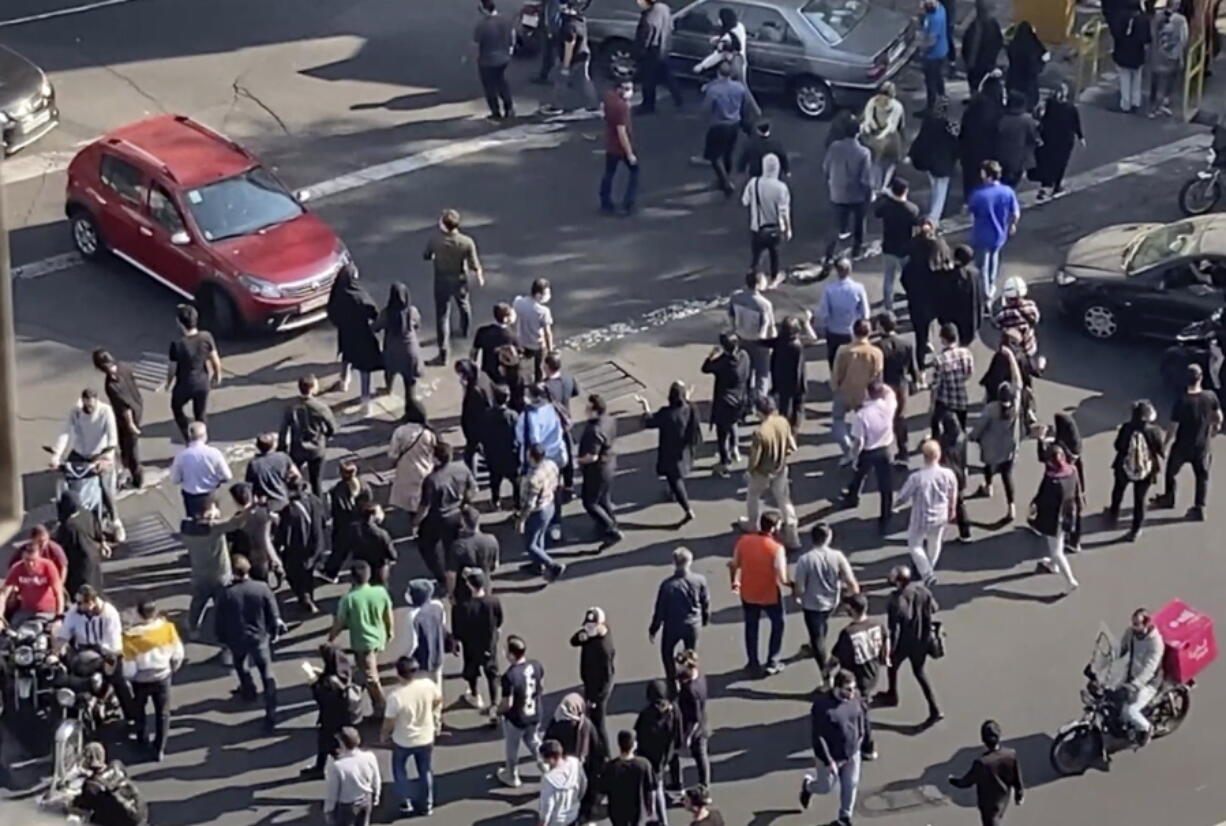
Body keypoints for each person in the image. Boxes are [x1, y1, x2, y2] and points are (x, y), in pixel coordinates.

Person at [215, 555, 282, 729]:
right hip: (259, 638)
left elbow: (220, 620)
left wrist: (222, 639)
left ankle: (248, 689)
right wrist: (273, 632)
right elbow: (273, 614)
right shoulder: (262, 588)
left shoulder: (227, 593)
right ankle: (271, 710)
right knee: (267, 673)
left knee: (240, 664)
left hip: (237, 638)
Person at [791, 522, 859, 685]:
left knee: (818, 640)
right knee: (822, 624)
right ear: (828, 537)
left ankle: (826, 673)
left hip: (812, 604)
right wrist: (850, 599)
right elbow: (851, 582)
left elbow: (799, 587)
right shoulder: (838, 556)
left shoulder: (805, 560)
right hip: (831, 602)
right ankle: (812, 646)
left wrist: (797, 597)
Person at [1153, 363, 1221, 520]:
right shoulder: (1210, 396)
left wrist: (1165, 444)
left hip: (1182, 446)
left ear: (1186, 380)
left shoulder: (1182, 401)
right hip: (1203, 446)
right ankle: (1199, 508)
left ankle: (1169, 498)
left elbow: (1173, 428)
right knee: (1202, 476)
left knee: (1171, 472)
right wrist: (1214, 429)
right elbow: (1218, 417)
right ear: (1201, 378)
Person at [328, 561, 395, 717]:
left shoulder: (349, 599)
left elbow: (339, 622)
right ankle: (364, 692)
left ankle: (382, 707)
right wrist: (390, 632)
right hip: (379, 638)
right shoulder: (380, 592)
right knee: (365, 669)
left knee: (371, 676)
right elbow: (388, 613)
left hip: (363, 643)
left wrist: (330, 638)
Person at [874, 565, 941, 722]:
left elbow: (894, 629)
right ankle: (935, 708)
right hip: (923, 639)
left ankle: (892, 694)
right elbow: (934, 608)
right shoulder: (923, 591)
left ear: (898, 582)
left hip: (905, 642)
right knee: (920, 673)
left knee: (892, 666)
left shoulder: (895, 601)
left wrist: (890, 650)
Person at [801, 671, 867, 826]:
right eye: (848, 689)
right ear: (837, 688)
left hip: (852, 752)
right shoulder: (822, 707)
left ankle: (844, 817)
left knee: (851, 784)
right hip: (831, 758)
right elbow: (819, 737)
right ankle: (808, 786)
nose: (852, 693)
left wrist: (862, 739)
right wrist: (829, 761)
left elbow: (862, 717)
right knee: (825, 787)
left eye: (853, 688)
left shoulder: (855, 697)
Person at [122, 600, 184, 761]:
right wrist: (171, 668)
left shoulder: (131, 637)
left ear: (138, 614)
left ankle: (142, 740)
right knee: (163, 712)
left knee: (140, 710)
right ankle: (159, 748)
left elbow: (129, 667)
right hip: (162, 676)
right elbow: (177, 653)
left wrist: (130, 678)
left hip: (141, 680)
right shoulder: (167, 629)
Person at [729, 511, 789, 676]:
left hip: (748, 592)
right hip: (769, 594)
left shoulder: (744, 541)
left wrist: (734, 581)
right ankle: (773, 660)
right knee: (778, 624)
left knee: (751, 626)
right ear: (775, 528)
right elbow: (782, 578)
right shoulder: (777, 549)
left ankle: (753, 663)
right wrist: (795, 585)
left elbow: (734, 564)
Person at [382, 656, 442, 817]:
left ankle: (405, 802)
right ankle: (427, 805)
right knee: (425, 771)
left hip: (403, 740)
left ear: (399, 674)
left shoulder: (395, 696)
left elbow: (389, 722)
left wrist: (384, 735)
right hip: (425, 737)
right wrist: (433, 715)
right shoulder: (428, 685)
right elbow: (438, 700)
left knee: (399, 769)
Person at [423, 209, 484, 366]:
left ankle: (443, 353)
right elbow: (473, 264)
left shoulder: (436, 240)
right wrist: (479, 276)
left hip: (442, 280)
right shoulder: (466, 241)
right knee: (463, 303)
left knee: (442, 315)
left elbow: (426, 255)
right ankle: (464, 330)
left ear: (443, 225)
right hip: (459, 279)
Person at [50, 388, 120, 524]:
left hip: (99, 454)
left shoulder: (106, 411)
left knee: (106, 487)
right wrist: (56, 455)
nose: (88, 408)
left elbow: (112, 437)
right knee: (66, 482)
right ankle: (63, 519)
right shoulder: (75, 412)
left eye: (91, 405)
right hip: (79, 453)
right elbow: (65, 433)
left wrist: (107, 459)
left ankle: (115, 519)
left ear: (96, 401)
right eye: (86, 405)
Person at [176, 494, 240, 641]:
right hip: (220, 575)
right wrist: (251, 507)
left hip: (199, 575)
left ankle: (193, 628)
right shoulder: (213, 529)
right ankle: (224, 635)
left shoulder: (186, 527)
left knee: (197, 603)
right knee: (223, 607)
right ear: (204, 513)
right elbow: (236, 523)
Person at [415, 439, 478, 587]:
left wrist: (416, 522)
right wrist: (464, 503)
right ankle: (459, 573)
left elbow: (425, 506)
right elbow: (474, 489)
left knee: (426, 545)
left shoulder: (431, 480)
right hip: (458, 514)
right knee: (452, 547)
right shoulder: (462, 468)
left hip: (438, 518)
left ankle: (442, 577)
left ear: (436, 459)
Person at [832, 593, 887, 760]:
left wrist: (827, 671)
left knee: (862, 712)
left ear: (853, 610)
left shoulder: (848, 633)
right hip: (873, 672)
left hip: (856, 678)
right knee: (862, 703)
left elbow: (836, 657)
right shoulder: (878, 625)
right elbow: (886, 642)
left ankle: (868, 747)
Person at [895, 439, 958, 585]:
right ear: (939, 455)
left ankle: (927, 572)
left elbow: (904, 496)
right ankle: (929, 566)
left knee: (914, 544)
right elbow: (952, 493)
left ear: (924, 456)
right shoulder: (948, 474)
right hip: (940, 515)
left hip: (921, 516)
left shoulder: (917, 477)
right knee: (935, 543)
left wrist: (895, 504)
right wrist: (952, 510)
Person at [637, 382, 702, 524]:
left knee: (675, 480)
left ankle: (687, 509)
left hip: (669, 452)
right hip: (683, 449)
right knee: (678, 474)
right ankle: (672, 493)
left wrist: (645, 406)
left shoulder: (667, 414)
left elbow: (649, 422)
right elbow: (686, 404)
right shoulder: (690, 409)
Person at [649, 547, 711, 693]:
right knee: (690, 653)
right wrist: (705, 618)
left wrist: (653, 629)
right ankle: (690, 680)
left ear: (674, 563)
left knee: (667, 652)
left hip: (673, 626)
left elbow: (660, 610)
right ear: (690, 561)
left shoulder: (668, 585)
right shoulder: (700, 580)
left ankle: (672, 681)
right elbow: (705, 601)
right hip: (692, 624)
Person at [840, 381, 898, 532]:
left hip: (868, 451)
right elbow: (890, 392)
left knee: (859, 474)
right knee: (886, 487)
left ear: (868, 393)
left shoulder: (862, 415)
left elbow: (859, 441)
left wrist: (854, 456)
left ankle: (852, 497)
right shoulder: (888, 406)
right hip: (885, 450)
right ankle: (885, 518)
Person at [743, 394, 800, 541]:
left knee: (753, 496)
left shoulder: (760, 433)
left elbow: (755, 458)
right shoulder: (783, 422)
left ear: (759, 412)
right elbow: (792, 446)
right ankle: (792, 534)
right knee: (783, 498)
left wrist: (749, 471)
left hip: (763, 472)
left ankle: (753, 525)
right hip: (780, 468)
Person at [326, 264, 382, 413]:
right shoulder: (359, 296)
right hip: (361, 335)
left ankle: (344, 381)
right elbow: (374, 312)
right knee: (365, 369)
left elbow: (331, 312)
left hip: (345, 333)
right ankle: (365, 403)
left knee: (346, 355)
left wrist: (341, 324)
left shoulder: (337, 293)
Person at [948, 720, 1025, 826]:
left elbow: (966, 782)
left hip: (988, 804)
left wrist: (952, 780)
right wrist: (1019, 794)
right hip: (1003, 798)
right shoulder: (1010, 754)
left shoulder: (982, 763)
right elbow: (1017, 776)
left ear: (983, 740)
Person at [1108, 399, 1166, 540]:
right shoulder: (1155, 431)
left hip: (1124, 466)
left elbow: (1117, 446)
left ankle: (1113, 512)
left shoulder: (1126, 428)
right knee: (1140, 500)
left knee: (1118, 489)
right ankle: (1135, 529)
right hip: (1145, 469)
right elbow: (1160, 450)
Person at [452, 570, 503, 722]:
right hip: (489, 644)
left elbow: (457, 629)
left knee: (471, 671)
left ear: (469, 585)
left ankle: (475, 695)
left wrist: (456, 642)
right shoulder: (493, 601)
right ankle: (494, 704)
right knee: (492, 673)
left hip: (470, 645)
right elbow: (499, 620)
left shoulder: (461, 606)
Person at [164, 303, 221, 441]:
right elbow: (215, 359)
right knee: (200, 413)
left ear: (180, 323)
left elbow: (172, 368)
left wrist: (168, 383)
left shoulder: (177, 344)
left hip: (184, 384)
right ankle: (202, 438)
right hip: (202, 383)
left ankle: (188, 436)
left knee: (176, 407)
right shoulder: (206, 337)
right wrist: (217, 375)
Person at [1030, 443, 1081, 593]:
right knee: (1057, 544)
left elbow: (1045, 500)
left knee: (1057, 551)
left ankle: (1070, 580)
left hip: (1053, 519)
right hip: (1068, 513)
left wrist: (1035, 507)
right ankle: (1053, 565)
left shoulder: (1053, 480)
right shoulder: (1072, 470)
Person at [830, 318, 883, 464]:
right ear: (870, 332)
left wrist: (835, 388)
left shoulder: (843, 350)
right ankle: (863, 450)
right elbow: (877, 374)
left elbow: (836, 373)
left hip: (845, 391)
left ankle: (848, 450)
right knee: (866, 424)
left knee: (838, 420)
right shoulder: (876, 353)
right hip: (866, 394)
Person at [497, 634, 546, 788]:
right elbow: (541, 686)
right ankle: (545, 765)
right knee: (533, 740)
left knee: (512, 747)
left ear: (511, 655)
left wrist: (497, 711)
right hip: (535, 713)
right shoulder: (536, 665)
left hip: (517, 719)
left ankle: (511, 775)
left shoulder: (510, 676)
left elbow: (508, 703)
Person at [967, 161, 1020, 304]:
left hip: (981, 235)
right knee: (994, 260)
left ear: (986, 174)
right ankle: (991, 286)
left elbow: (971, 214)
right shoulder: (1008, 192)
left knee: (982, 266)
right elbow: (1015, 213)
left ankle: (985, 296)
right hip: (999, 235)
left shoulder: (978, 195)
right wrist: (1012, 226)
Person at [303, 644, 359, 779]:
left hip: (331, 717)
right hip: (344, 715)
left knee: (329, 744)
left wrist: (313, 683)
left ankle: (337, 770)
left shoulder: (330, 682)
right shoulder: (345, 671)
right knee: (330, 743)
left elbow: (322, 699)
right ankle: (320, 767)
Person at [374, 283, 427, 422]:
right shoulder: (412, 311)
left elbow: (375, 327)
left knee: (389, 371)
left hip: (392, 350)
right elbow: (418, 324)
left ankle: (388, 388)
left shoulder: (387, 313)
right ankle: (409, 412)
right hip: (410, 351)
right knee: (409, 384)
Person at [277, 374, 337, 496]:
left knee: (294, 479)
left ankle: (297, 500)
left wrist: (282, 448)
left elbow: (283, 430)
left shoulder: (291, 407)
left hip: (297, 448)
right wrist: (326, 436)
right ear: (313, 388)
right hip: (316, 449)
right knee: (316, 481)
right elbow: (332, 427)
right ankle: (317, 505)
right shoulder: (321, 407)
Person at [92, 349, 144, 489]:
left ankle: (137, 478)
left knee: (131, 447)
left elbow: (124, 408)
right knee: (124, 443)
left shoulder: (111, 385)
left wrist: (131, 425)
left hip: (128, 418)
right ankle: (125, 464)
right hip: (138, 405)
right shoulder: (124, 367)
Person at [822, 123, 873, 261]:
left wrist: (831, 181)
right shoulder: (864, 152)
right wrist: (869, 194)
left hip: (837, 193)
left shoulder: (834, 147)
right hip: (857, 195)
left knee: (835, 224)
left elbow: (826, 167)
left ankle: (829, 253)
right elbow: (865, 178)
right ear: (858, 133)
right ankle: (856, 250)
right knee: (860, 223)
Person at [702, 333, 751, 475]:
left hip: (724, 402)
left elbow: (705, 368)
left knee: (722, 433)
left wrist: (711, 355)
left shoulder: (723, 362)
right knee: (733, 423)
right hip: (740, 398)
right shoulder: (744, 356)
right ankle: (735, 448)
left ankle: (725, 461)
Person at [970, 382, 1020, 521]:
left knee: (988, 467)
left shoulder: (991, 409)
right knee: (1007, 476)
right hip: (1009, 448)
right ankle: (1011, 507)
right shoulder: (1015, 409)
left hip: (991, 446)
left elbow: (980, 425)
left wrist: (973, 436)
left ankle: (988, 487)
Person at [576, 393, 621, 546]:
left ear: (594, 409)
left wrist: (578, 460)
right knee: (603, 498)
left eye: (587, 407)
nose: (585, 410)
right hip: (609, 464)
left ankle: (610, 528)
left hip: (597, 470)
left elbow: (592, 456)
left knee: (590, 502)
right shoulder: (609, 419)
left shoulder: (594, 430)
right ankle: (609, 522)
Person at [634, 680, 682, 823]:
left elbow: (640, 734)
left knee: (656, 788)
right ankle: (677, 785)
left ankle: (661, 819)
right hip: (667, 753)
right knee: (660, 781)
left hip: (652, 758)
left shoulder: (647, 715)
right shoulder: (674, 710)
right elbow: (678, 733)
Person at [517, 443, 567, 582]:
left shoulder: (532, 479)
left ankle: (553, 565)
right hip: (549, 506)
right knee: (540, 537)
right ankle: (538, 565)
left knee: (530, 545)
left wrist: (522, 520)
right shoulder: (551, 465)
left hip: (537, 512)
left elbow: (529, 503)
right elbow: (557, 483)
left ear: (531, 457)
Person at [1116, 608, 1165, 746]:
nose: (1133, 626)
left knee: (1129, 710)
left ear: (1146, 624)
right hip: (1130, 675)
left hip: (1149, 683)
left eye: (1137, 624)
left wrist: (1135, 685)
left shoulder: (1156, 643)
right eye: (1133, 623)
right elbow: (1121, 649)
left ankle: (1147, 729)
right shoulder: (1131, 633)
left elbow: (1149, 669)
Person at [277, 479, 327, 614]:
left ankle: (305, 597)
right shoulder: (315, 500)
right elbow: (323, 521)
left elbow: (284, 535)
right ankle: (309, 596)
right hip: (316, 545)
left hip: (298, 548)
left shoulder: (289, 510)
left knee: (294, 575)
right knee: (308, 573)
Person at [570, 606, 616, 752]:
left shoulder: (603, 647)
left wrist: (596, 699)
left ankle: (605, 753)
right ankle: (595, 748)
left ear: (600, 625)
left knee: (599, 723)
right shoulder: (590, 634)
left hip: (598, 690)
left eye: (592, 626)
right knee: (591, 719)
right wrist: (581, 636)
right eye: (587, 625)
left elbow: (607, 677)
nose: (588, 628)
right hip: (589, 682)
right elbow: (573, 641)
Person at [907, 101, 959, 228]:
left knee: (934, 187)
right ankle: (934, 219)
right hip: (944, 164)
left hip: (930, 163)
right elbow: (957, 144)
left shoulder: (928, 123)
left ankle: (932, 214)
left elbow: (920, 141)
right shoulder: (950, 126)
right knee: (941, 191)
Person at [743, 153, 792, 287]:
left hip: (757, 227)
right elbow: (784, 211)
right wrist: (788, 229)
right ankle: (774, 278)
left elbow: (745, 201)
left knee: (756, 256)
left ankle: (753, 279)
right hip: (775, 227)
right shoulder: (781, 187)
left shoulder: (754, 183)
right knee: (774, 254)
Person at [875, 313, 920, 459]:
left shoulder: (877, 347)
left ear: (881, 326)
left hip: (884, 386)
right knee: (900, 418)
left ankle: (882, 449)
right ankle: (903, 450)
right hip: (901, 385)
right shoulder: (906, 344)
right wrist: (916, 381)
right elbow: (914, 367)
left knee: (882, 418)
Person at [402, 580, 448, 721]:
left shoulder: (413, 616)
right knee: (436, 687)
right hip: (437, 655)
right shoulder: (438, 606)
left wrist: (404, 658)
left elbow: (412, 643)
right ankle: (437, 718)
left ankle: (426, 720)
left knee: (422, 691)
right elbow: (443, 625)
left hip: (421, 661)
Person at [815, 258, 872, 375]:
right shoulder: (858, 288)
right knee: (853, 358)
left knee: (834, 358)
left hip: (833, 331)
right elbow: (865, 312)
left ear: (837, 271)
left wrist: (822, 324)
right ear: (850, 270)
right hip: (852, 331)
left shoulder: (829, 289)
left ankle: (835, 380)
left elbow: (824, 312)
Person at [701, 62, 749, 196]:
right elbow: (744, 105)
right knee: (728, 153)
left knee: (714, 156)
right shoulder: (739, 88)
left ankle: (725, 182)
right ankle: (725, 177)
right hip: (734, 124)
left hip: (718, 125)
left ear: (718, 73)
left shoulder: (714, 91)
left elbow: (706, 108)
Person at [71, 742, 148, 826]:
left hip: (126, 821)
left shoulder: (91, 785)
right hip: (141, 813)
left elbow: (82, 805)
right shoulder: (117, 765)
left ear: (89, 759)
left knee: (91, 817)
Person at [728, 270, 777, 398]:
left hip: (741, 338)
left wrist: (734, 330)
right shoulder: (764, 304)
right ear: (758, 284)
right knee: (762, 374)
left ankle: (746, 400)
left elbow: (731, 316)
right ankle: (761, 401)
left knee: (746, 372)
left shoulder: (735, 297)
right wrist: (771, 343)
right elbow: (768, 324)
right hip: (759, 342)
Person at [543, 0, 597, 115]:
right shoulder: (580, 20)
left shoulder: (569, 25)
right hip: (583, 54)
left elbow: (569, 45)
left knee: (560, 81)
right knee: (584, 80)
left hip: (572, 58)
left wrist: (565, 66)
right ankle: (592, 104)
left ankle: (557, 106)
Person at [874, 177, 921, 308]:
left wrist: (886, 197)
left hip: (889, 247)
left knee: (889, 278)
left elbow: (877, 212)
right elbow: (917, 226)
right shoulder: (912, 209)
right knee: (910, 278)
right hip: (905, 249)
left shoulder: (886, 206)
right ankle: (912, 301)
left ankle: (888, 307)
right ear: (905, 191)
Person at [170, 421, 232, 518]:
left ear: (189, 436)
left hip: (191, 497)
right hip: (210, 495)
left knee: (194, 523)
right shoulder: (215, 453)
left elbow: (175, 479)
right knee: (213, 522)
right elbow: (228, 476)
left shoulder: (181, 456)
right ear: (205, 436)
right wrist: (218, 480)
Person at [959, 72, 1006, 203]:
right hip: (989, 151)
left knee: (969, 176)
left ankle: (968, 200)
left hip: (969, 149)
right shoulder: (999, 112)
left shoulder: (973, 107)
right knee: (985, 177)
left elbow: (964, 128)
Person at [322, 462, 373, 581]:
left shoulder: (338, 490)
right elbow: (369, 501)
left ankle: (331, 573)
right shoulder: (364, 485)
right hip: (361, 523)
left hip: (344, 526)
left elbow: (336, 510)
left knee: (339, 551)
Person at [1034, 83, 1084, 199]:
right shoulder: (1070, 108)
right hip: (1064, 140)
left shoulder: (1049, 104)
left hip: (1049, 137)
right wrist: (1081, 137)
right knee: (1060, 163)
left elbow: (1040, 117)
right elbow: (1076, 123)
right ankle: (1056, 185)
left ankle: (1045, 185)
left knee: (1047, 161)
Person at [56, 490, 109, 598]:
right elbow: (97, 530)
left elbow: (63, 545)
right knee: (95, 587)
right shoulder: (87, 514)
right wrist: (103, 543)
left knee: (81, 592)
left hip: (78, 564)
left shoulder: (69, 526)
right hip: (93, 556)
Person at [324, 726, 381, 826]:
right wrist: (376, 794)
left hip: (346, 805)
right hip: (366, 799)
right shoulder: (369, 756)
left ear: (342, 743)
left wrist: (329, 809)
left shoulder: (338, 766)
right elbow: (376, 778)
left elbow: (332, 791)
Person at [387, 412, 438, 526]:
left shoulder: (400, 431)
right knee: (423, 500)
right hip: (425, 471)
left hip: (406, 471)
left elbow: (392, 455)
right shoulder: (428, 433)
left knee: (409, 501)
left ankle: (413, 523)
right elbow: (434, 452)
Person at [671, 650, 711, 790]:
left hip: (691, 727)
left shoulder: (691, 690)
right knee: (701, 756)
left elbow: (695, 718)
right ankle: (704, 785)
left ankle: (678, 784)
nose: (677, 669)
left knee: (676, 753)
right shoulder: (698, 676)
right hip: (702, 725)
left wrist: (687, 737)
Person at [634, 0, 683, 113]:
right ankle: (678, 99)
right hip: (663, 47)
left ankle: (648, 105)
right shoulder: (664, 8)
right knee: (666, 75)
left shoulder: (652, 12)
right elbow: (670, 27)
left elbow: (649, 30)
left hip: (652, 50)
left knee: (648, 78)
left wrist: (642, 50)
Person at [1, 541, 64, 626]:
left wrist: (58, 617)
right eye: (27, 560)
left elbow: (59, 593)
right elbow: (4, 594)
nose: (30, 564)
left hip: (48, 612)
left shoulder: (48, 567)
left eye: (34, 560)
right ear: (23, 557)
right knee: (12, 633)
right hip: (25, 611)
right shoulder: (17, 568)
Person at [603, 730, 658, 826]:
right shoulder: (644, 764)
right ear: (634, 745)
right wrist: (651, 807)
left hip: (617, 812)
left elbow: (603, 789)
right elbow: (651, 788)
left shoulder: (611, 767)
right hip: (638, 811)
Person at [601, 79, 640, 214]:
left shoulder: (609, 98)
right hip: (621, 147)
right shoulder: (621, 107)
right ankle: (628, 203)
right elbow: (621, 132)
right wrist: (629, 153)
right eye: (628, 89)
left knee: (609, 174)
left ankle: (605, 202)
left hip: (610, 145)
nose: (631, 92)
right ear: (620, 89)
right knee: (635, 172)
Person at [934, 408, 973, 542]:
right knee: (960, 502)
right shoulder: (962, 436)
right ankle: (965, 532)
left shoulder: (943, 440)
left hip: (947, 475)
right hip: (960, 472)